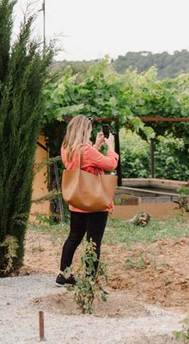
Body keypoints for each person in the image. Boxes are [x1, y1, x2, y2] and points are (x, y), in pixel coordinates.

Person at [57, 115, 118, 286]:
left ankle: (64, 274)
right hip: (94, 203)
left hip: (77, 202)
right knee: (93, 242)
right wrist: (110, 146)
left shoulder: (66, 148)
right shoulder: (86, 150)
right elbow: (110, 164)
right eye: (90, 130)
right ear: (85, 130)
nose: (91, 133)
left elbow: (83, 163)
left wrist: (97, 145)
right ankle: (91, 279)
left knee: (74, 237)